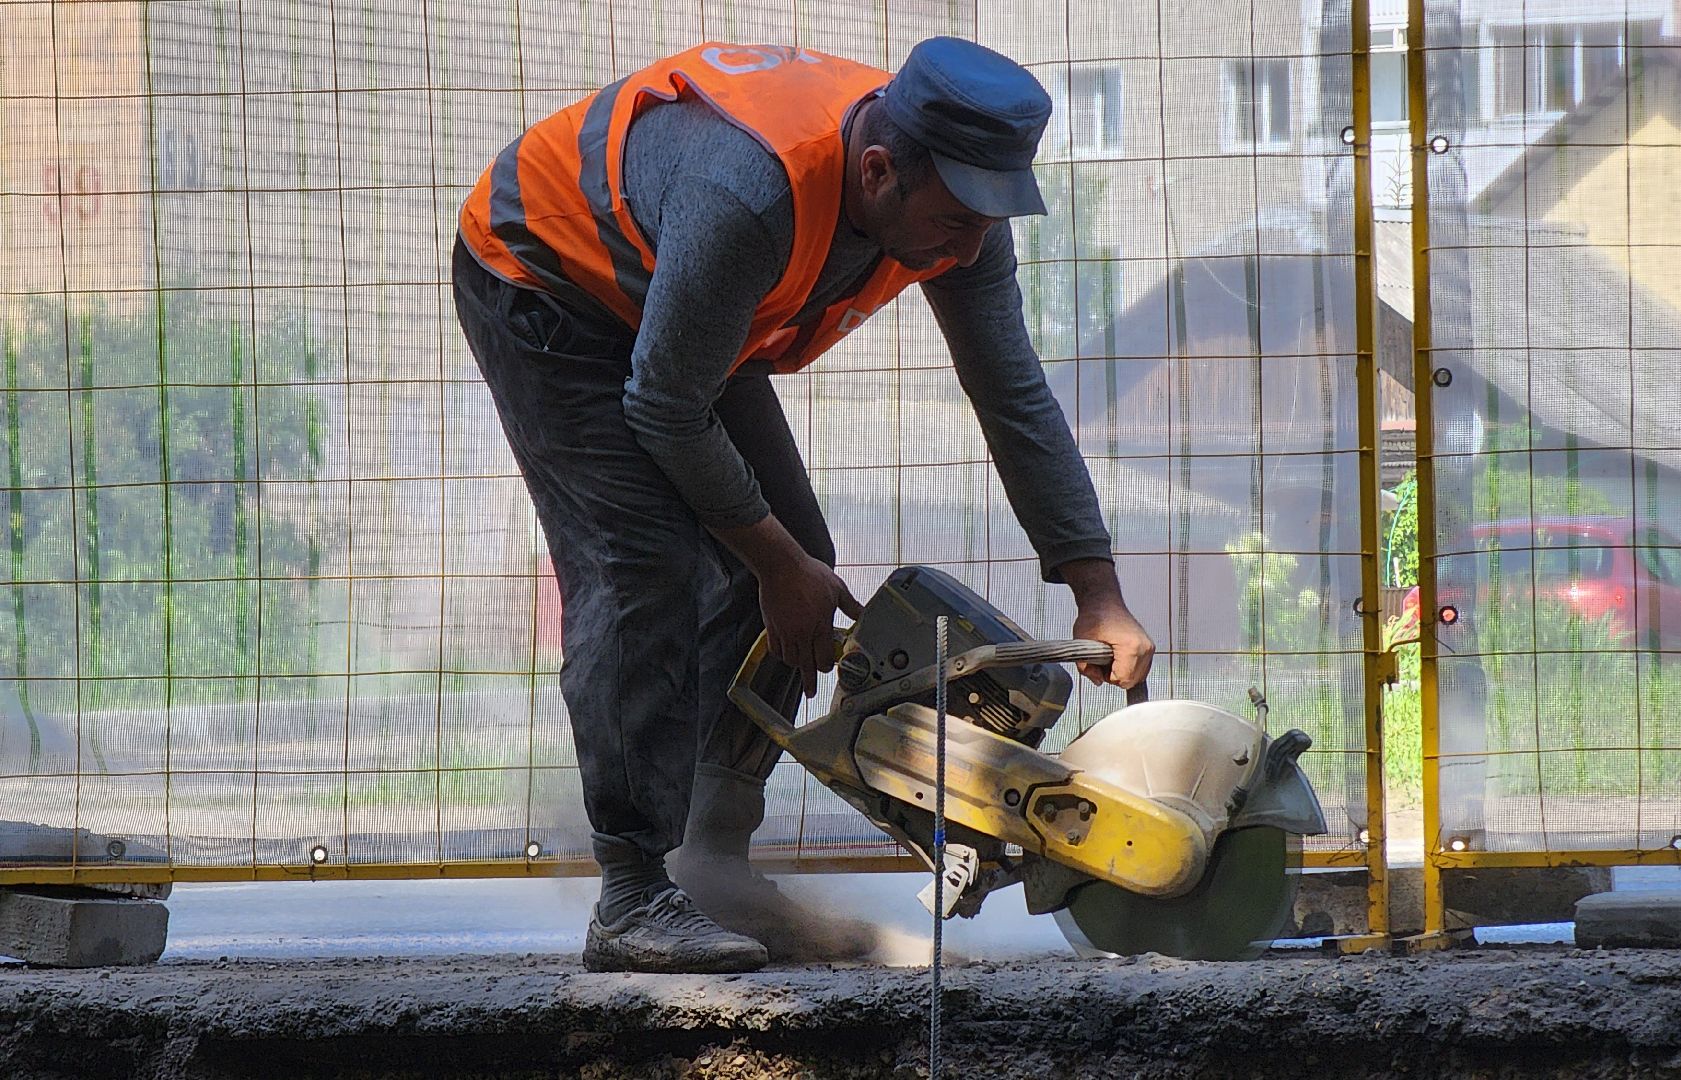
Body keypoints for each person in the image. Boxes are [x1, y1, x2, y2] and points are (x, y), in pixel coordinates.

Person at [452, 36, 1155, 974]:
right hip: (550, 278)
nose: (973, 245)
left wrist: (1096, 590)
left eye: (991, 217)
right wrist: (773, 562)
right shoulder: (751, 197)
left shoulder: (954, 205)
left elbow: (1012, 392)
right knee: (645, 566)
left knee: (796, 562)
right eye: (956, 220)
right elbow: (663, 406)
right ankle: (631, 898)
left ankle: (707, 867)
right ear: (878, 173)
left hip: (693, 306)